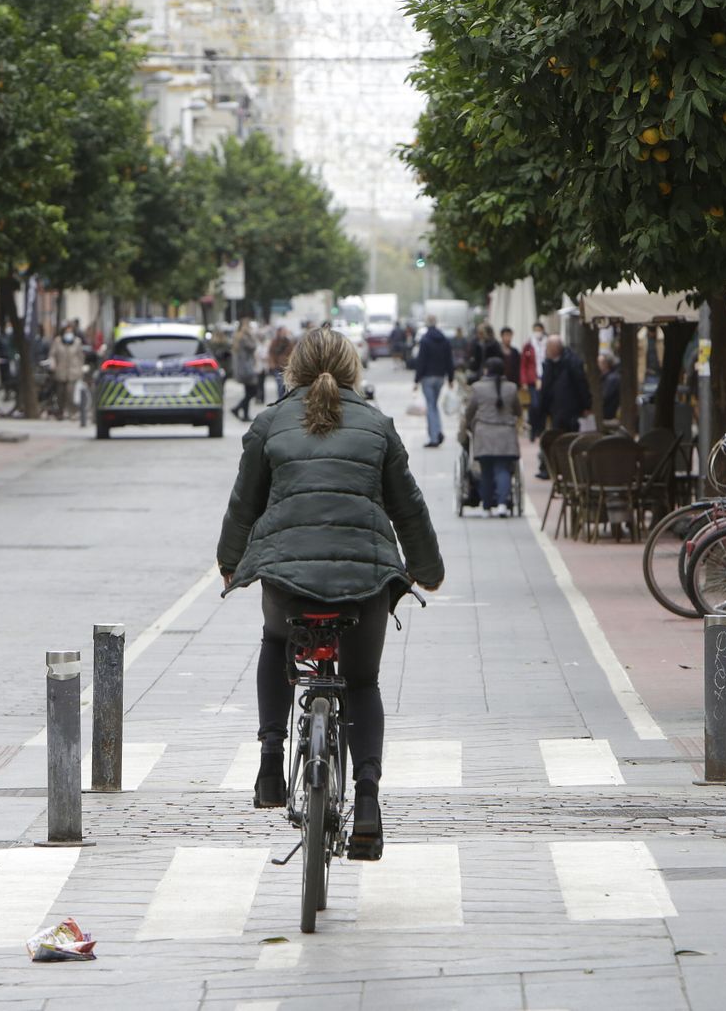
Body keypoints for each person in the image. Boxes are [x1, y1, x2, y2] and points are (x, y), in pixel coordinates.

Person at [216, 327, 444, 862]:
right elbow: (408, 508)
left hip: (288, 582)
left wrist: (231, 565)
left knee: (276, 642)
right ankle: (367, 801)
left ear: (292, 370)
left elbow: (242, 506)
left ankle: (271, 761)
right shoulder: (377, 426)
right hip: (365, 583)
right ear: (353, 370)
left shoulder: (269, 424)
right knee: (362, 682)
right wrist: (427, 571)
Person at [463, 356, 522, 516]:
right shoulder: (512, 388)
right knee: (503, 469)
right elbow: (518, 411)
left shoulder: (477, 388)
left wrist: (468, 425)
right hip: (506, 436)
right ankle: (502, 504)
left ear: (486, 370)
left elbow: (469, 411)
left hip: (484, 434)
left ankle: (486, 506)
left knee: (486, 471)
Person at [533, 335, 592, 476]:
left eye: (548, 347)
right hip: (555, 409)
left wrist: (586, 405)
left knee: (567, 438)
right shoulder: (549, 363)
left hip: (569, 409)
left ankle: (568, 469)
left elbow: (581, 385)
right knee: (555, 438)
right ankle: (552, 467)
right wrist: (542, 408)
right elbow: (546, 387)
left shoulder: (572, 362)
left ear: (555, 348)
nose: (546, 350)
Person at [412, 315, 455, 447]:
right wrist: (451, 378)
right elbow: (449, 359)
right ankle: (438, 431)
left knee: (430, 406)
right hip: (440, 377)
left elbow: (421, 361)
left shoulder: (425, 340)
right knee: (434, 405)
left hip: (427, 377)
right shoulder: (445, 340)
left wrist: (416, 379)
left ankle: (434, 437)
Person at [48, 322, 85, 420]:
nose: (68, 333)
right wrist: (53, 364)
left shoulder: (77, 342)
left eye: (70, 331)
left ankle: (72, 412)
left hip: (73, 372)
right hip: (60, 371)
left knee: (70, 393)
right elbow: (52, 355)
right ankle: (60, 412)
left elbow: (81, 357)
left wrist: (81, 369)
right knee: (60, 393)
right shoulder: (57, 341)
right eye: (67, 331)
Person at [230, 319, 262, 421]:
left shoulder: (238, 337)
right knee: (253, 391)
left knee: (248, 391)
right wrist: (251, 335)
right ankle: (237, 408)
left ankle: (245, 415)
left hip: (243, 368)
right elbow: (253, 346)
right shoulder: (244, 337)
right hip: (247, 369)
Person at [268, 326, 294, 399]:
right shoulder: (274, 342)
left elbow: (292, 353)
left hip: (286, 367)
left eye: (285, 332)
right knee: (279, 384)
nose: (284, 333)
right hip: (277, 367)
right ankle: (280, 400)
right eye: (283, 332)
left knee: (285, 385)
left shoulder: (289, 342)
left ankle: (283, 400)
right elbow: (271, 353)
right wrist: (272, 364)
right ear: (279, 332)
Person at [598, 353, 621, 422]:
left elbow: (605, 397)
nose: (598, 364)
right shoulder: (605, 377)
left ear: (606, 364)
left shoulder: (612, 379)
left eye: (599, 362)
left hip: (608, 415)